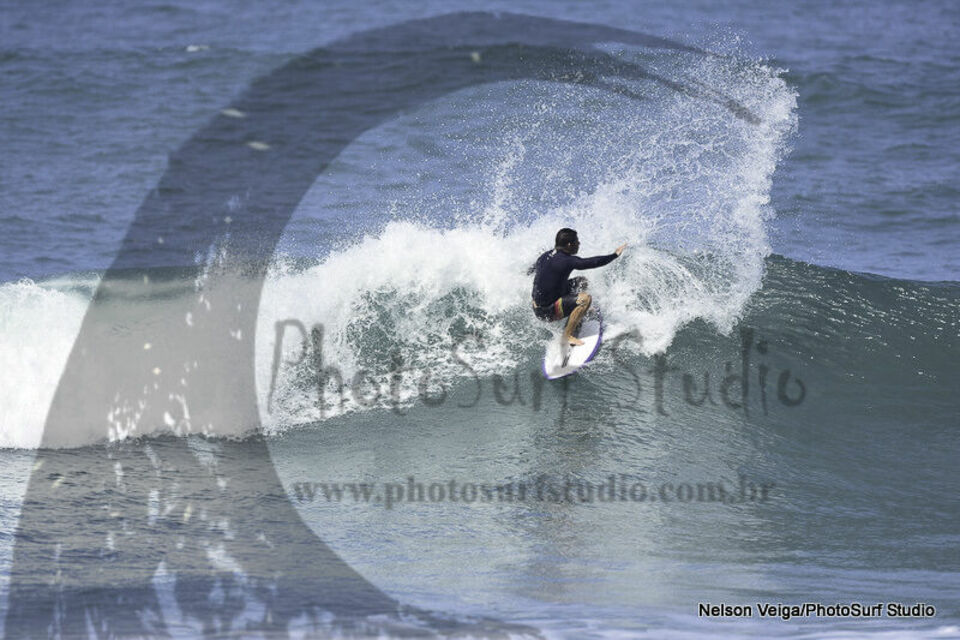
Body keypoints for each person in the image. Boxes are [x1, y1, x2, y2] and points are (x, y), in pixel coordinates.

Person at [531, 228, 626, 346]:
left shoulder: (544, 256)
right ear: (569, 244)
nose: (579, 244)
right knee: (585, 299)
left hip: (536, 305)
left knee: (582, 281)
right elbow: (593, 262)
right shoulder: (567, 260)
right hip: (547, 312)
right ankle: (567, 336)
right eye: (577, 241)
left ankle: (577, 312)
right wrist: (615, 255)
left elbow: (533, 270)